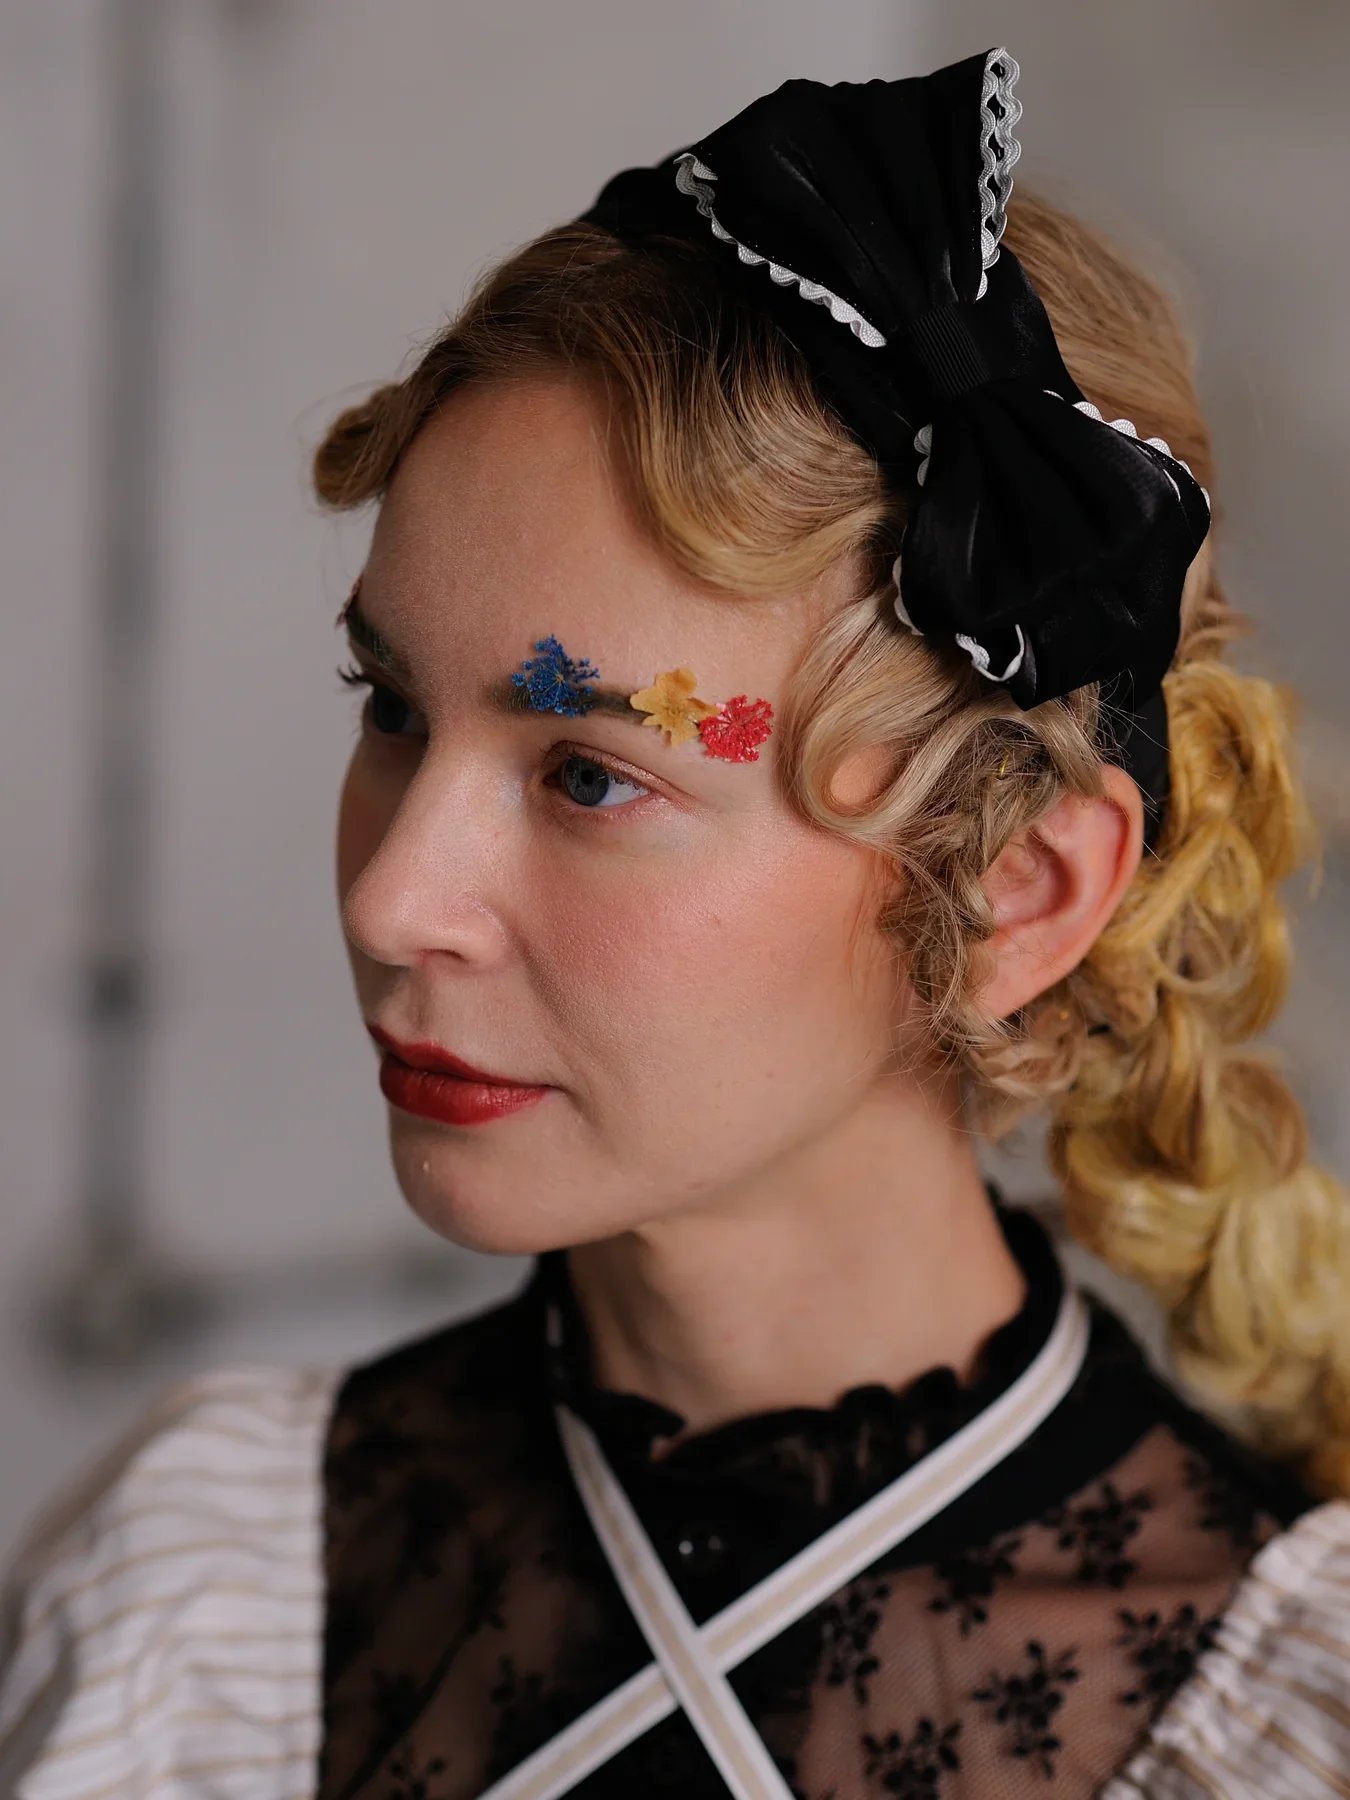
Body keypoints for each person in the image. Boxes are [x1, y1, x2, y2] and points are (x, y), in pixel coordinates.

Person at [3, 46, 1349, 1800]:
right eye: (390, 706)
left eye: (588, 775)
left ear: (1012, 891)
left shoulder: (1282, 1731)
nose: (393, 900)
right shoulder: (199, 1591)